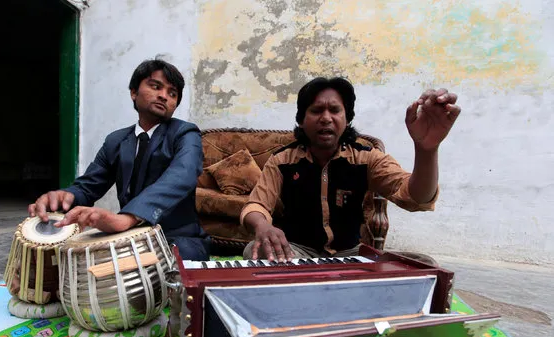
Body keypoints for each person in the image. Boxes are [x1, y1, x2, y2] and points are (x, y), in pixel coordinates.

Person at [240, 76, 461, 262]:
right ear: (301, 120)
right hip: (297, 255)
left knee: (424, 263)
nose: (326, 118)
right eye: (316, 110)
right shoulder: (282, 160)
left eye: (335, 110)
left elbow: (417, 197)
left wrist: (427, 150)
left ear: (347, 119)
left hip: (351, 255)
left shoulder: (366, 158)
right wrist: (262, 225)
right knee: (254, 251)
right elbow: (256, 205)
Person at [28, 59, 209, 261]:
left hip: (178, 240)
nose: (163, 96)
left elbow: (183, 176)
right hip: (127, 238)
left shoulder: (186, 133)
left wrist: (129, 217)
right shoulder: (116, 141)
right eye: (155, 86)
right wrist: (65, 196)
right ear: (134, 92)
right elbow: (88, 187)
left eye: (172, 93)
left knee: (166, 267)